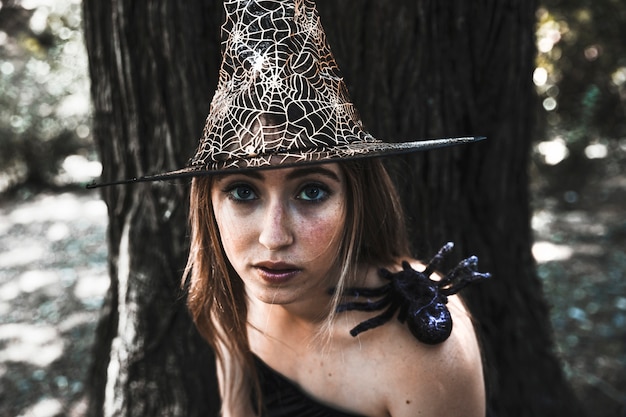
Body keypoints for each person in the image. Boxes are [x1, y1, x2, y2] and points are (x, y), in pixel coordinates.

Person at [91, 1, 489, 416]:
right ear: (208, 205)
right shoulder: (235, 291)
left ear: (357, 202)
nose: (274, 238)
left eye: (312, 191)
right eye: (243, 192)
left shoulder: (426, 356)